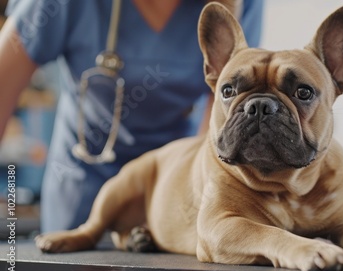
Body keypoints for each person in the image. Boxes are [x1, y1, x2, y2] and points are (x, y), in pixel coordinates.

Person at [0, 0, 263, 232]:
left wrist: (195, 198)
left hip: (172, 188)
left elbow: (221, 121)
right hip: (84, 186)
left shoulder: (240, 5)